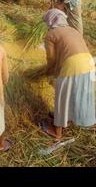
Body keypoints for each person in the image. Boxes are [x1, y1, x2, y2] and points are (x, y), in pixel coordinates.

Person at [40, 9, 95, 139]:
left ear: (51, 21)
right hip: (89, 63)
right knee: (80, 94)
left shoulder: (51, 34)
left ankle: (57, 131)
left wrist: (48, 71)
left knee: (62, 96)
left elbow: (51, 59)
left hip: (72, 65)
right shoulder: (74, 30)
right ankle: (70, 117)